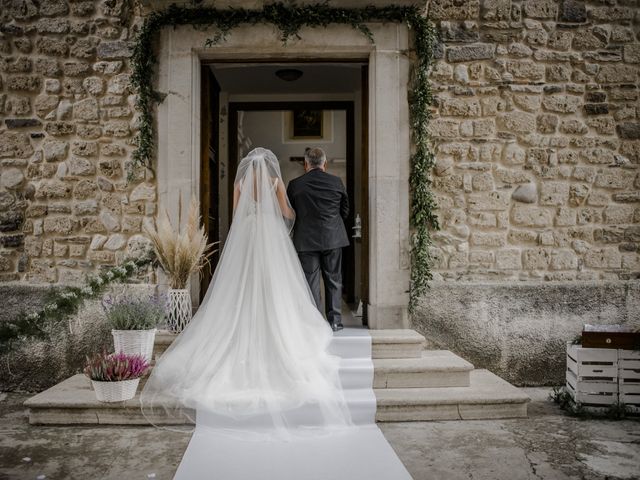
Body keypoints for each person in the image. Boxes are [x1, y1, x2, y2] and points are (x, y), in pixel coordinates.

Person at [140, 147, 352, 434]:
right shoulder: (277, 183)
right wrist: (288, 221)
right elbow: (287, 212)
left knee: (242, 284)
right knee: (280, 284)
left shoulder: (240, 184)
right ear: (268, 167)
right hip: (273, 236)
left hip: (247, 236)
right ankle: (324, 320)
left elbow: (237, 213)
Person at [286, 147, 350, 331]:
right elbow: (345, 210)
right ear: (325, 163)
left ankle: (314, 324)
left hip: (305, 240)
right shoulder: (336, 182)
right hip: (333, 238)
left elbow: (291, 213)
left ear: (306, 164)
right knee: (334, 279)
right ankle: (335, 321)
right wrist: (332, 224)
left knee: (310, 281)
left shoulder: (295, 184)